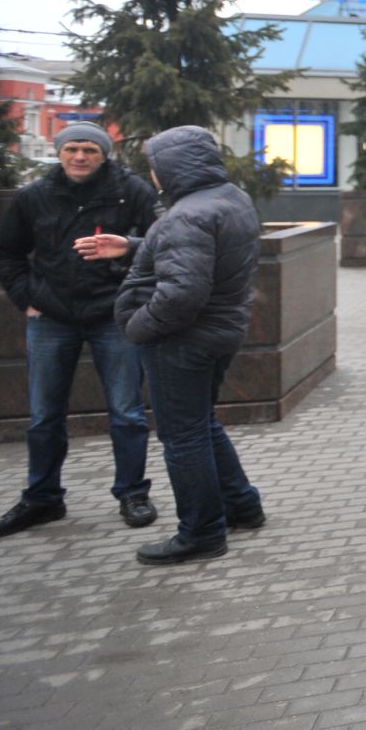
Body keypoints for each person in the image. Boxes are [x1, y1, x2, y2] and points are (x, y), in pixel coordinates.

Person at [0, 122, 159, 540]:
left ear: (104, 155)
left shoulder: (132, 191)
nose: (79, 157)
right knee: (44, 416)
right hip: (51, 317)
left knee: (127, 413)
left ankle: (132, 493)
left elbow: (156, 247)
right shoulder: (33, 196)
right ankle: (42, 499)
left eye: (89, 150)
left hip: (113, 316)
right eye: (71, 149)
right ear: (59, 153)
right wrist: (26, 296)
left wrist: (132, 294)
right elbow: (6, 251)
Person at [106, 126, 265, 565]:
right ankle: (243, 506)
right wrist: (134, 246)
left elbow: (182, 292)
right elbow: (199, 255)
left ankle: (201, 532)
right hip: (220, 331)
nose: (152, 174)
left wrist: (138, 326)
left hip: (181, 340)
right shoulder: (230, 198)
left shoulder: (185, 215)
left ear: (170, 167)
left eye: (153, 165)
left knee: (183, 438)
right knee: (202, 425)